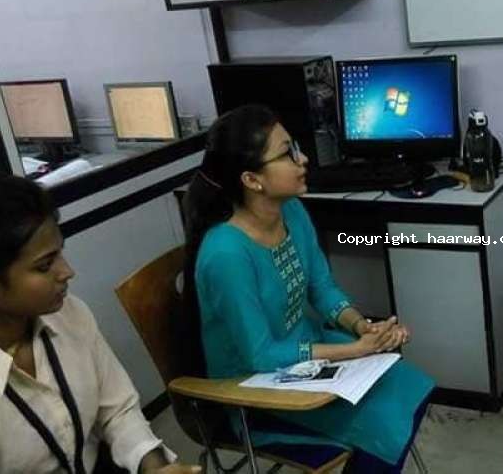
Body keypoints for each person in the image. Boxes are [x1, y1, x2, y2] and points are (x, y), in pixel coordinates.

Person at [183, 105, 434, 473]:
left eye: (296, 148)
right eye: (287, 153)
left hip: (305, 359)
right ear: (252, 179)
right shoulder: (226, 254)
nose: (303, 160)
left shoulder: (292, 211)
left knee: (409, 387)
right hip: (253, 391)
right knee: (383, 421)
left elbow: (322, 287)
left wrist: (361, 327)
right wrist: (353, 350)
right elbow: (260, 355)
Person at [0, 171, 200, 474]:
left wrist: (154, 467)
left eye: (60, 252)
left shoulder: (69, 314)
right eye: (44, 266)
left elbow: (118, 412)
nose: (67, 271)